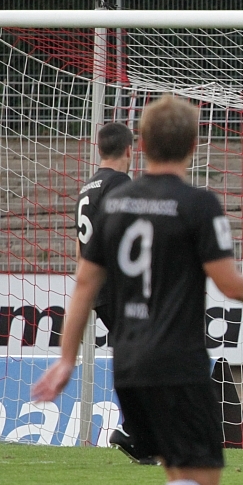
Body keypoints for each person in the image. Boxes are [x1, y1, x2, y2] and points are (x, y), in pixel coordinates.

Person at [34, 94, 243, 485]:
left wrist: (66, 359)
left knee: (177, 480)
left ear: (142, 143)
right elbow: (230, 284)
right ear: (193, 145)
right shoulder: (198, 204)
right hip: (177, 362)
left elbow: (84, 283)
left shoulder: (114, 203)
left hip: (128, 363)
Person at [75, 121, 155, 465]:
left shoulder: (87, 188)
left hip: (99, 289)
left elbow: (81, 247)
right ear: (129, 150)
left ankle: (142, 436)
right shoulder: (120, 184)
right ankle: (134, 432)